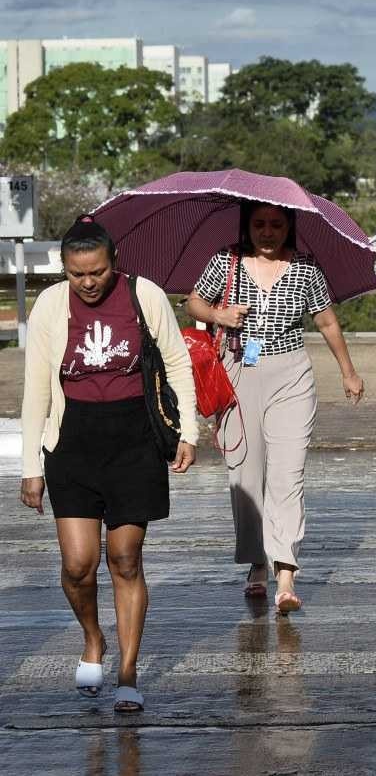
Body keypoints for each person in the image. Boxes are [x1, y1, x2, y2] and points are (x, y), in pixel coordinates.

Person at [20, 215, 198, 712]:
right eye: (77, 274)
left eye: (96, 271)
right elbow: (35, 388)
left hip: (133, 442)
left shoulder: (145, 295)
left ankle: (127, 670)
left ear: (113, 263)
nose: (88, 282)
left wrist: (189, 432)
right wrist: (29, 466)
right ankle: (93, 638)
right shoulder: (51, 305)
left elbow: (178, 362)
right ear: (64, 269)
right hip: (72, 442)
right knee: (78, 565)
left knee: (125, 560)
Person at [186, 201, 364, 615]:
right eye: (260, 224)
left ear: (289, 227)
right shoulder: (226, 260)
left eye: (277, 225)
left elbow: (327, 322)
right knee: (246, 474)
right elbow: (193, 302)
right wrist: (218, 314)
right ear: (248, 226)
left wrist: (348, 372)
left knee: (288, 473)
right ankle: (255, 563)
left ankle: (285, 573)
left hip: (291, 374)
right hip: (238, 371)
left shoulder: (305, 268)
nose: (268, 232)